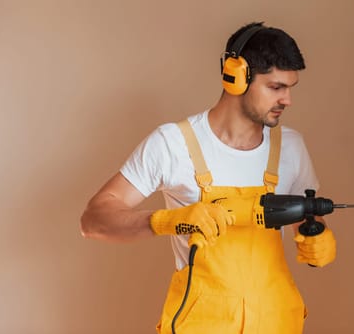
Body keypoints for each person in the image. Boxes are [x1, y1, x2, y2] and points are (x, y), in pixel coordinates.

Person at [80, 21, 337, 334]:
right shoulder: (173, 144)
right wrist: (167, 221)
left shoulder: (291, 147)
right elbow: (94, 219)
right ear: (236, 77)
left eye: (290, 88)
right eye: (276, 87)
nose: (287, 100)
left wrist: (317, 236)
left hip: (277, 322)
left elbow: (305, 220)